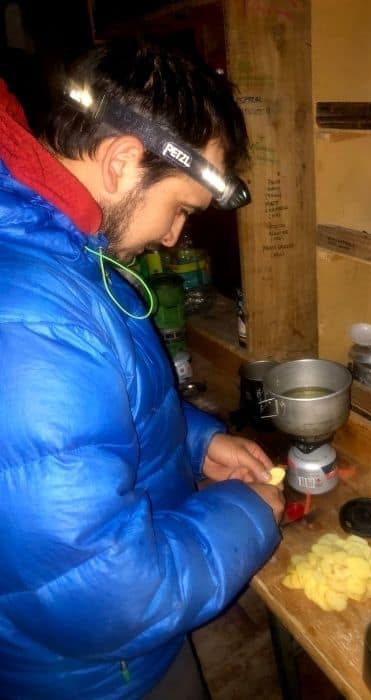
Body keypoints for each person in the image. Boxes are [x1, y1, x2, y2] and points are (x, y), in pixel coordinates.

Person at [0, 39, 285, 699]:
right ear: (123, 160)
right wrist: (249, 512)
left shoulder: (66, 259)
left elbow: (96, 416)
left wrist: (198, 441)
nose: (173, 236)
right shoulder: (34, 322)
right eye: (181, 207)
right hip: (94, 677)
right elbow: (111, 601)